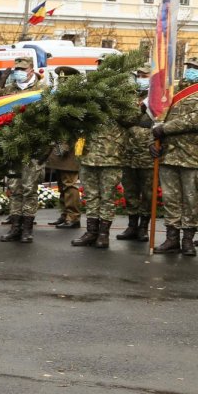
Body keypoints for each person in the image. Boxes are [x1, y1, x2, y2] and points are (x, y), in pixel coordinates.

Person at [73, 68, 143, 249]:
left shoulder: (124, 100)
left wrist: (110, 103)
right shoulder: (90, 99)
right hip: (89, 155)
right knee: (91, 196)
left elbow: (133, 118)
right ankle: (91, 232)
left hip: (111, 155)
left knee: (107, 197)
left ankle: (103, 234)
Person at [0, 56, 45, 244]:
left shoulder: (42, 91)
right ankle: (15, 227)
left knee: (29, 189)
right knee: (14, 188)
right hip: (13, 147)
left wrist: (46, 148)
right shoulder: (9, 90)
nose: (19, 72)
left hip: (33, 148)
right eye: (17, 68)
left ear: (31, 70)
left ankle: (27, 229)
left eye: (23, 69)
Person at [151, 87, 198, 255]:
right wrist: (152, 142)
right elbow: (157, 120)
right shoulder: (171, 93)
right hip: (168, 156)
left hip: (192, 158)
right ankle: (172, 239)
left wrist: (164, 129)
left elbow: (193, 120)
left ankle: (188, 240)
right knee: (171, 199)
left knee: (191, 201)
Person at [119, 70, 155, 243]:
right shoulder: (127, 97)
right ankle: (132, 225)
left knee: (148, 194)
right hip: (129, 153)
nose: (142, 78)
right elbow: (123, 120)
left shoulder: (157, 98)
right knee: (130, 191)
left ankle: (143, 228)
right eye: (139, 75)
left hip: (147, 155)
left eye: (145, 75)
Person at [46, 67, 83, 229]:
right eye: (60, 81)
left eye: (65, 81)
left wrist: (67, 145)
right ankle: (65, 213)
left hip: (72, 145)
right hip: (58, 145)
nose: (62, 84)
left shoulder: (78, 100)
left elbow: (79, 126)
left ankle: (73, 216)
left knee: (70, 183)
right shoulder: (59, 99)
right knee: (61, 183)